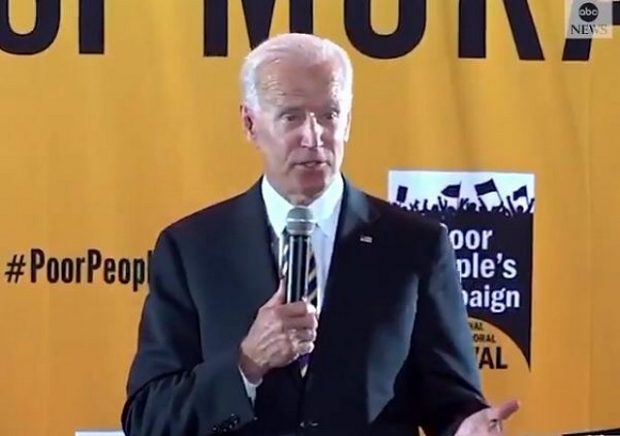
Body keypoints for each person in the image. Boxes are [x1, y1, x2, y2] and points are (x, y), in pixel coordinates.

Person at [121, 33, 519, 435]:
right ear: (250, 124)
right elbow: (148, 419)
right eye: (291, 117)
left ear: (348, 121)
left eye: (329, 115)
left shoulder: (415, 245)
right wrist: (247, 363)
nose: (314, 137)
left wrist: (467, 426)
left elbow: (452, 402)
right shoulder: (192, 250)